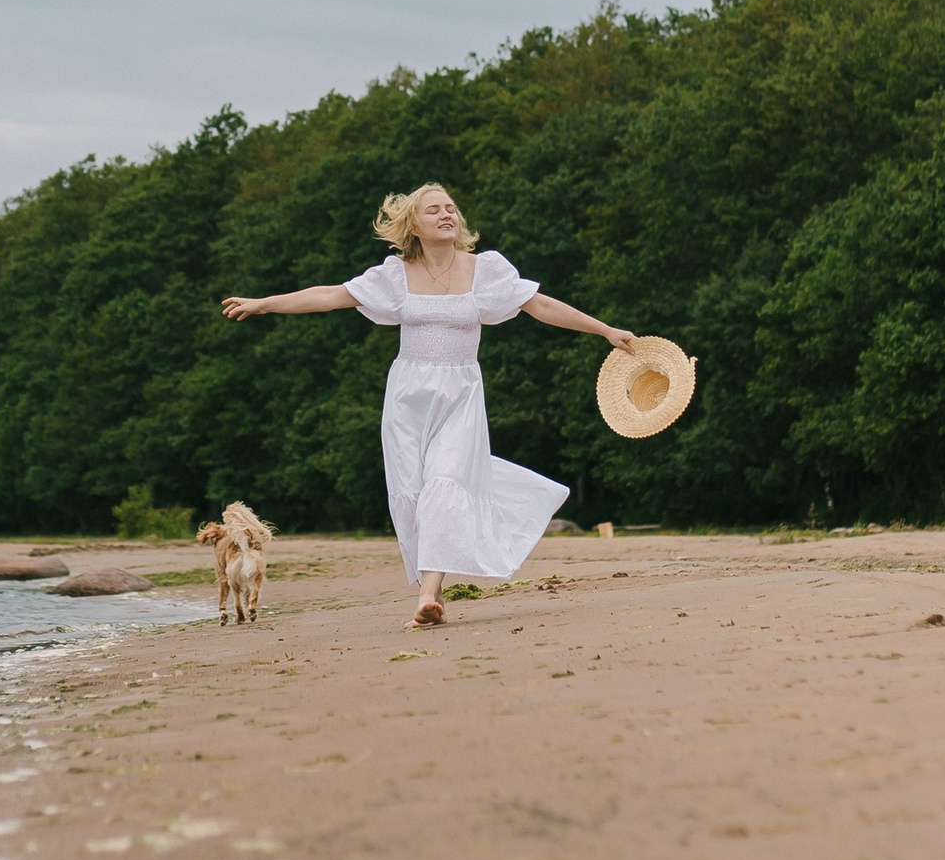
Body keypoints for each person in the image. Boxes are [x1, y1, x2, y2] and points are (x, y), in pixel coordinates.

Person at [221, 184, 636, 628]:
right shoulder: (395, 276)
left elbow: (541, 304)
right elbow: (330, 295)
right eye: (434, 210)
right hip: (407, 397)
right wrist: (266, 303)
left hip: (460, 393)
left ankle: (424, 594)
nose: (446, 214)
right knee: (413, 496)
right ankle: (433, 592)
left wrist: (606, 330)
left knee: (444, 484)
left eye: (452, 208)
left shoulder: (487, 269)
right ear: (413, 225)